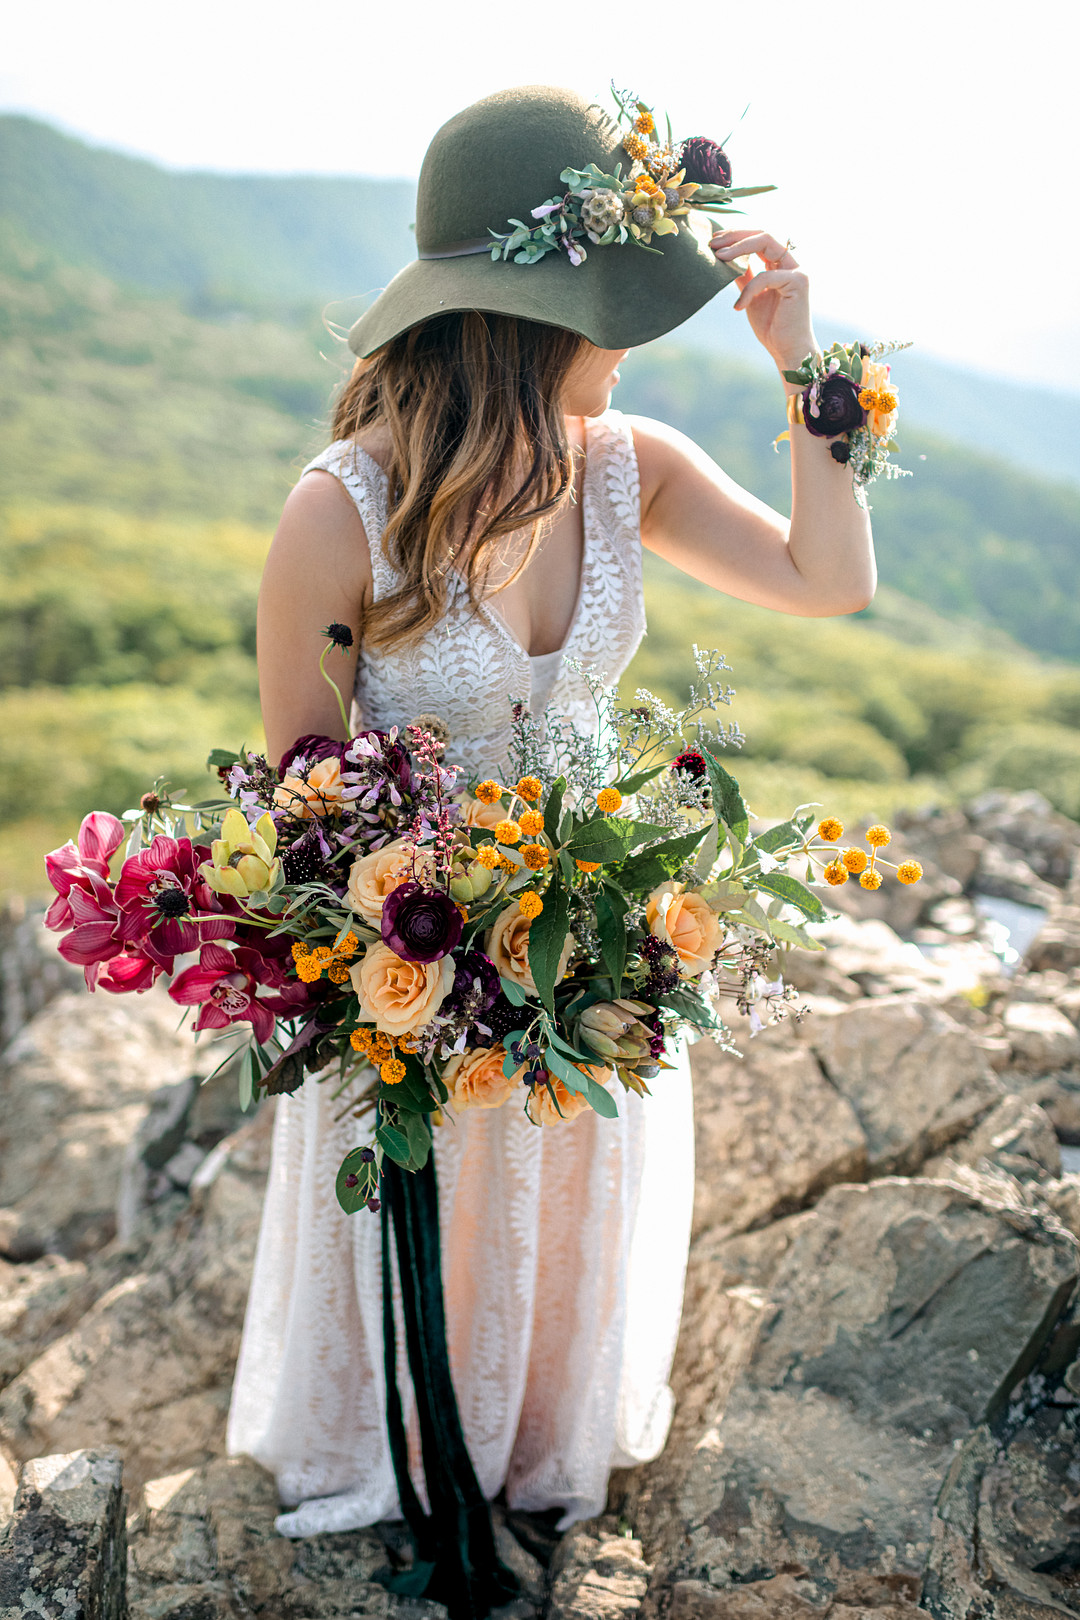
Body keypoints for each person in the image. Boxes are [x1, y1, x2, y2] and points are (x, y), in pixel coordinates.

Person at [227, 84, 875, 1539]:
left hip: (592, 968)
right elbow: (306, 805)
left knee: (567, 1228)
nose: (635, 335)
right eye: (613, 299)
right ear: (526, 315)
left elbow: (829, 579)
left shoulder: (626, 470)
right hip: (414, 979)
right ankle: (409, 1479)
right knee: (431, 1247)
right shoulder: (340, 514)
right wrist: (433, 968)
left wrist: (807, 369)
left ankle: (526, 1478)